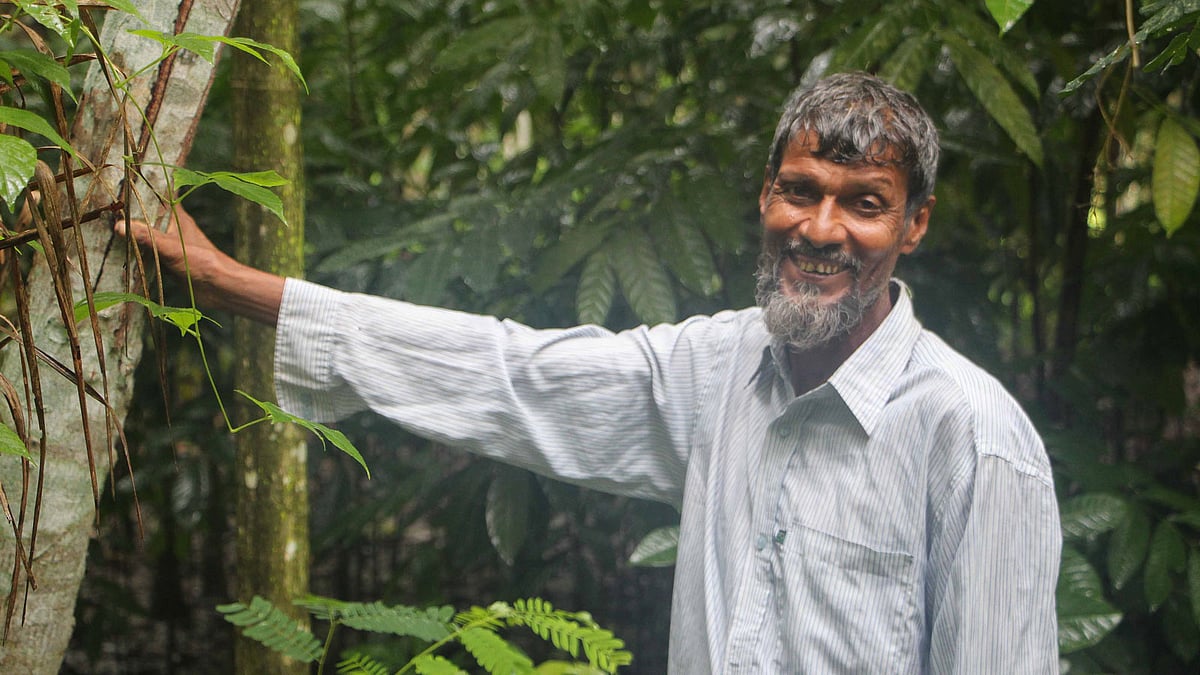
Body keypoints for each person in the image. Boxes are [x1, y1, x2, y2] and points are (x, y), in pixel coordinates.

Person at [120, 72, 1061, 673]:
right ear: (766, 194)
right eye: (800, 191)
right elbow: (511, 373)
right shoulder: (721, 367)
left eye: (864, 204)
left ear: (914, 224)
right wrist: (234, 286)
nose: (821, 229)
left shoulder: (971, 434)